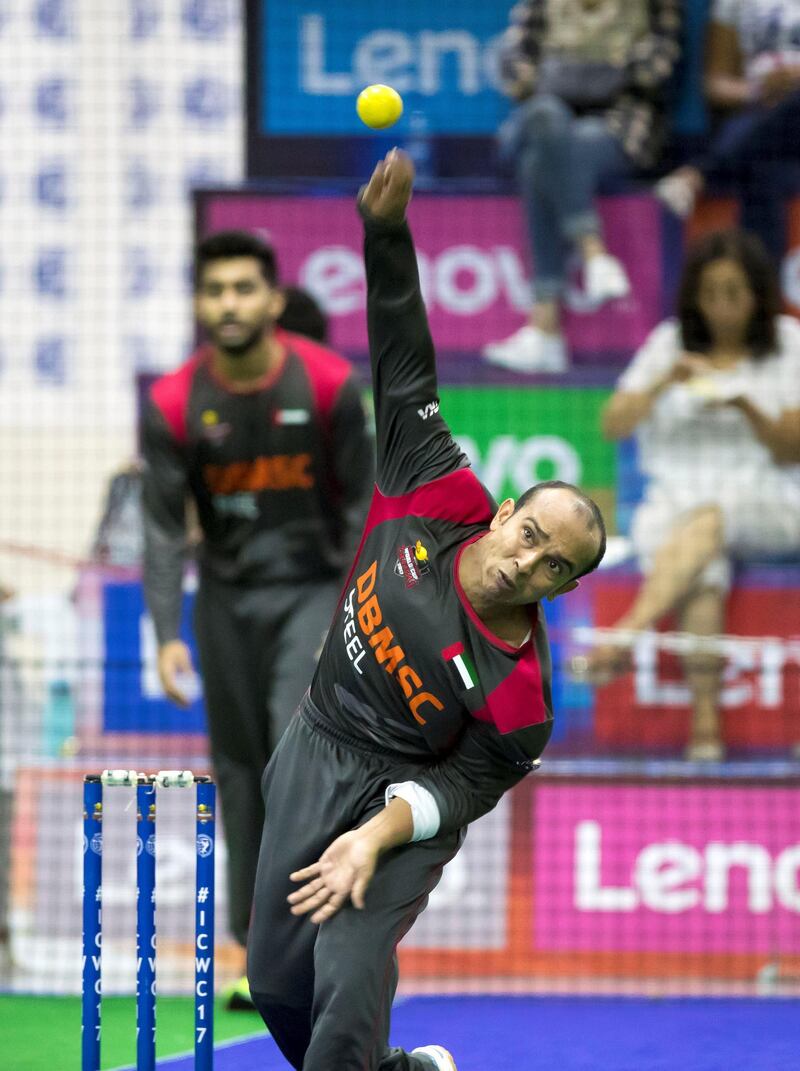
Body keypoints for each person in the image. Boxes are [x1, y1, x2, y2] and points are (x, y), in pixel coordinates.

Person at [246, 149, 606, 1071]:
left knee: (351, 973)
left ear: (561, 590)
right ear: (504, 512)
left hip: (403, 802)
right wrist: (385, 232)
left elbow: (453, 792)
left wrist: (374, 835)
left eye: (553, 565)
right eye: (531, 532)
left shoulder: (523, 701)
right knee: (282, 985)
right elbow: (404, 360)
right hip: (318, 738)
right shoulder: (433, 489)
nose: (529, 559)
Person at [141, 230, 373, 1004]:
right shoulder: (174, 401)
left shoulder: (333, 387)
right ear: (200, 303)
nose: (229, 303)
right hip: (225, 603)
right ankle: (255, 953)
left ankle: (312, 951)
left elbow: (364, 515)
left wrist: (347, 623)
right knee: (239, 776)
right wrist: (168, 630)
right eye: (215, 290)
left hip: (312, 591)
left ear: (274, 301)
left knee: (289, 759)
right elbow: (165, 527)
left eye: (244, 289)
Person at [585, 229, 800, 761]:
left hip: (768, 501)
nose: (723, 306)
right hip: (671, 504)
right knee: (703, 569)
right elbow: (612, 424)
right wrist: (663, 382)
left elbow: (792, 447)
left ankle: (626, 635)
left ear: (757, 294)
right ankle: (706, 731)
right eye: (711, 293)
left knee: (710, 519)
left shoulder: (789, 343)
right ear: (695, 296)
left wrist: (744, 402)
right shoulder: (669, 343)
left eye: (735, 292)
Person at [483, 0, 682, 373]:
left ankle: (545, 329)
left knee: (539, 162)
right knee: (546, 114)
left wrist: (563, 73)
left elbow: (656, 69)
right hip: (539, 119)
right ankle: (593, 253)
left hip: (620, 127)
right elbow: (514, 68)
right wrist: (604, 69)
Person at [656, 1, 800, 266]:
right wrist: (760, 90)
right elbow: (715, 84)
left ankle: (699, 172)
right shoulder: (733, 3)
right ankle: (763, 297)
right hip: (759, 121)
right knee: (759, 168)